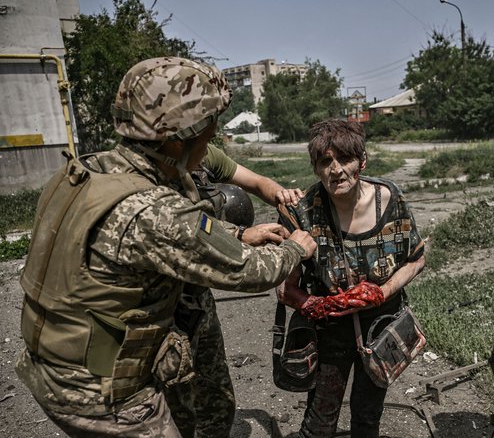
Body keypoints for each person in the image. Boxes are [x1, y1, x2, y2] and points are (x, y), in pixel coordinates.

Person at [15, 56, 316, 438]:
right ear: (178, 136)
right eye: (209, 125)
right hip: (101, 395)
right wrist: (296, 249)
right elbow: (249, 271)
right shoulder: (155, 210)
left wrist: (237, 233)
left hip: (56, 361)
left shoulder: (92, 170)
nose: (214, 136)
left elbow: (151, 236)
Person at [277, 119, 425, 438]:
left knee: (368, 416)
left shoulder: (390, 199)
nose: (337, 170)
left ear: (362, 161)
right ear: (315, 167)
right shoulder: (301, 214)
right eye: (325, 161)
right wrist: (314, 304)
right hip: (330, 328)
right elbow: (286, 289)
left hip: (382, 325)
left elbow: (416, 258)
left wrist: (381, 292)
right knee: (319, 422)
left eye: (345, 159)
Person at [166, 142, 305, 438]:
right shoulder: (152, 174)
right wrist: (291, 249)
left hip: (198, 300)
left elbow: (255, 182)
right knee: (174, 410)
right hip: (162, 313)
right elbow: (246, 272)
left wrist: (280, 194)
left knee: (217, 402)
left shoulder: (202, 150)